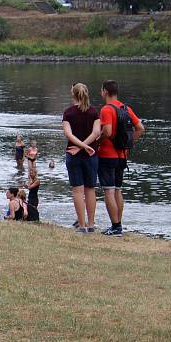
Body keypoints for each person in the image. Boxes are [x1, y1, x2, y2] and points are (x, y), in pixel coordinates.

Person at [96, 80, 144, 236]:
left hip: (107, 155)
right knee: (117, 190)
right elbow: (140, 128)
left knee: (108, 191)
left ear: (105, 92)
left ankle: (116, 227)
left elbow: (107, 132)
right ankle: (118, 225)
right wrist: (128, 145)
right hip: (122, 156)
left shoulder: (106, 109)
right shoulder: (126, 108)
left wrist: (98, 143)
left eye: (101, 90)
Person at [62, 83, 100, 232]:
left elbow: (68, 134)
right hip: (91, 155)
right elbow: (96, 133)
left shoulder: (68, 113)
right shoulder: (93, 112)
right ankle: (91, 225)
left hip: (73, 154)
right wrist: (85, 146)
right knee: (90, 189)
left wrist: (79, 146)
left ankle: (82, 226)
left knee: (77, 190)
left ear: (73, 95)